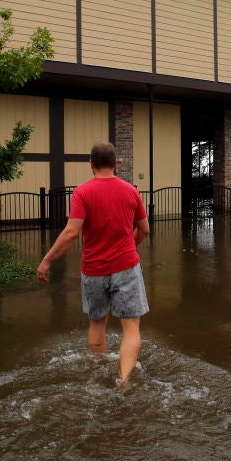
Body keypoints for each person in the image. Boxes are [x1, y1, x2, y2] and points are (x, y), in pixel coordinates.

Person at [36, 142, 150, 387]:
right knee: (131, 328)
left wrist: (46, 261)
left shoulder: (82, 193)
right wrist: (129, 247)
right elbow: (144, 230)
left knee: (98, 322)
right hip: (126, 267)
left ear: (91, 164)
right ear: (115, 163)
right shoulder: (132, 191)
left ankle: (97, 374)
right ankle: (125, 379)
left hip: (93, 269)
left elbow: (70, 234)